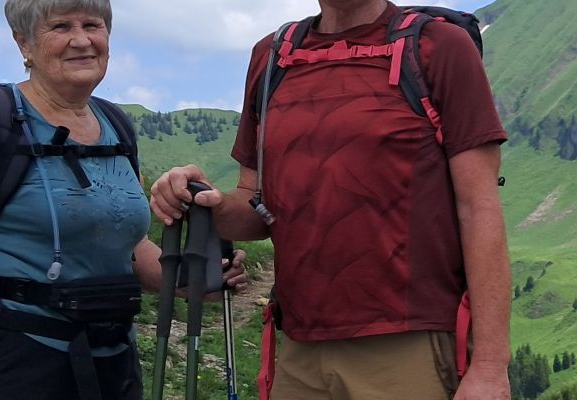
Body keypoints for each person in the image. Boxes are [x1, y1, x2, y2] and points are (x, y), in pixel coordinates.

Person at [0, 0, 246, 398]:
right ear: (24, 43)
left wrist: (196, 278)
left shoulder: (116, 126)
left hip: (111, 359)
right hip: (4, 360)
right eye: (60, 27)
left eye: (93, 24)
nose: (81, 40)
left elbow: (126, 247)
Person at [148, 0, 512, 398]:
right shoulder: (272, 56)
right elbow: (256, 207)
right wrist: (206, 202)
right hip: (300, 352)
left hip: (409, 345)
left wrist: (491, 367)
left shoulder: (438, 46)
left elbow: (479, 209)